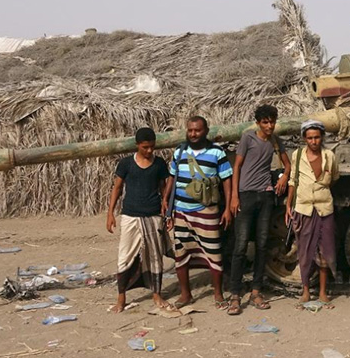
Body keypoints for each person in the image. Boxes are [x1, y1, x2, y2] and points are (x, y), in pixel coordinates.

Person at [228, 104, 291, 315]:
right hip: (246, 195)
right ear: (258, 123)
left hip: (265, 195)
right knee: (241, 245)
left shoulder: (275, 141)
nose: (270, 125)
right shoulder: (248, 138)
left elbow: (287, 164)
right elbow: (237, 166)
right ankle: (235, 294)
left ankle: (256, 291)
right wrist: (235, 196)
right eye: (265, 122)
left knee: (263, 244)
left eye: (272, 121)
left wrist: (284, 179)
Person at [165, 117, 234, 309]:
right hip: (181, 212)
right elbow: (172, 176)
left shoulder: (216, 153)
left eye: (197, 130)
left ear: (206, 131)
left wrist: (227, 208)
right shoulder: (179, 151)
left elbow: (226, 180)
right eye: (190, 130)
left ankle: (218, 294)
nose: (193, 134)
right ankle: (185, 294)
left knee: (213, 253)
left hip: (207, 211)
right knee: (181, 254)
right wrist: (166, 200)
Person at [106, 127, 174, 313]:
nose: (149, 151)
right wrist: (110, 213)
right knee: (125, 256)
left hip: (153, 216)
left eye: (152, 147)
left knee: (154, 257)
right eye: (145, 147)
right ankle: (121, 298)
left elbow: (164, 187)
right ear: (137, 145)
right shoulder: (126, 164)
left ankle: (156, 294)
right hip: (130, 216)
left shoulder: (159, 164)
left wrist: (167, 209)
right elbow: (117, 188)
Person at [285, 120, 340, 310]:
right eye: (310, 138)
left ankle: (323, 292)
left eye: (317, 137)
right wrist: (288, 204)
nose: (314, 141)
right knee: (305, 250)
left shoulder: (329, 156)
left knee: (325, 250)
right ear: (304, 139)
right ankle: (306, 290)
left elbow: (333, 178)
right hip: (303, 207)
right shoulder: (297, 155)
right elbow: (293, 180)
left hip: (324, 208)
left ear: (322, 137)